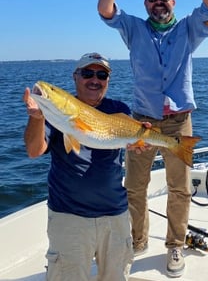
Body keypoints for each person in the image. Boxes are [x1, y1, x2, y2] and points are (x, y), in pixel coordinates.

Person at [97, 0, 208, 278]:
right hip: (142, 124)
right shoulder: (134, 29)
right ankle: (137, 240)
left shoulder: (188, 29)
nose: (158, 2)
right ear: (146, 3)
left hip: (180, 122)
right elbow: (106, 10)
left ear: (173, 0)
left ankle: (175, 245)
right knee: (134, 186)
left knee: (179, 188)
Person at [23, 52, 133, 281]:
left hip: (115, 214)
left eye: (101, 74)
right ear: (75, 77)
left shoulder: (119, 109)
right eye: (87, 73)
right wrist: (36, 118)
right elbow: (34, 151)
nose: (95, 79)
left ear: (108, 80)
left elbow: (134, 141)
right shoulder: (54, 115)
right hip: (69, 216)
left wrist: (141, 143)